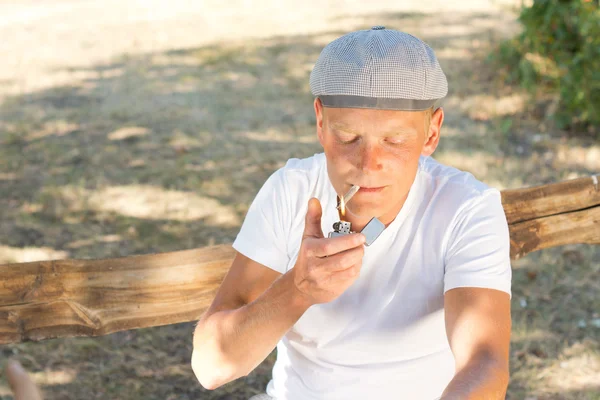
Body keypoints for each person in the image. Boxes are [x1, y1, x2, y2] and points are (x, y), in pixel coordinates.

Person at [191, 26, 511, 400]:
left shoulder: (465, 208)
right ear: (321, 123)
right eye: (348, 138)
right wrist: (296, 290)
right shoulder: (292, 189)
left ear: (431, 134)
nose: (368, 164)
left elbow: (485, 363)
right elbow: (211, 366)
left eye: (394, 141)